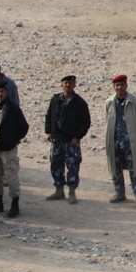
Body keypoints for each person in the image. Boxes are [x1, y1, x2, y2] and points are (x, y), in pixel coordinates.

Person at [0, 80, 29, 218]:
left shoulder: (13, 108)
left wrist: (14, 139)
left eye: (2, 91)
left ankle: (15, 204)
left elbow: (24, 127)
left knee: (11, 175)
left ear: (6, 92)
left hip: (8, 147)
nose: (0, 94)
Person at [44, 75, 91, 204]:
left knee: (73, 166)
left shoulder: (79, 102)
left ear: (74, 85)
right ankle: (59, 190)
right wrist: (49, 131)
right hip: (57, 139)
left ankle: (71, 192)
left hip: (71, 141)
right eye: (65, 83)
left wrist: (77, 137)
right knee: (55, 164)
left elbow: (85, 122)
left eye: (70, 83)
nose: (68, 85)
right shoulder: (55, 100)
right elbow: (49, 115)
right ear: (61, 85)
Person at [105, 74, 136, 208]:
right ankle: (119, 193)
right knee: (115, 168)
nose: (119, 88)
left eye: (122, 85)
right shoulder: (109, 102)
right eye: (117, 85)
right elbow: (108, 119)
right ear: (114, 87)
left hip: (131, 141)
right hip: (115, 140)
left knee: (135, 169)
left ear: (126, 86)